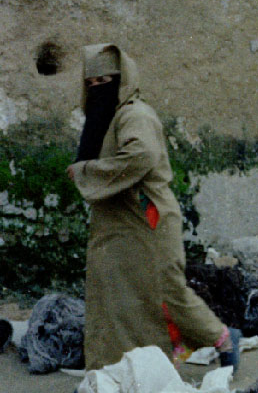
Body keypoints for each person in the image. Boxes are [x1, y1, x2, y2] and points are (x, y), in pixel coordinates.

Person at [67, 43, 240, 371]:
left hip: (148, 218)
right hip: (116, 224)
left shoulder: (135, 115)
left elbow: (141, 155)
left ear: (122, 79)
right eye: (90, 84)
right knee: (111, 297)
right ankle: (109, 372)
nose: (95, 89)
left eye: (103, 81)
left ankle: (223, 338)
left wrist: (88, 172)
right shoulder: (107, 117)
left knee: (165, 291)